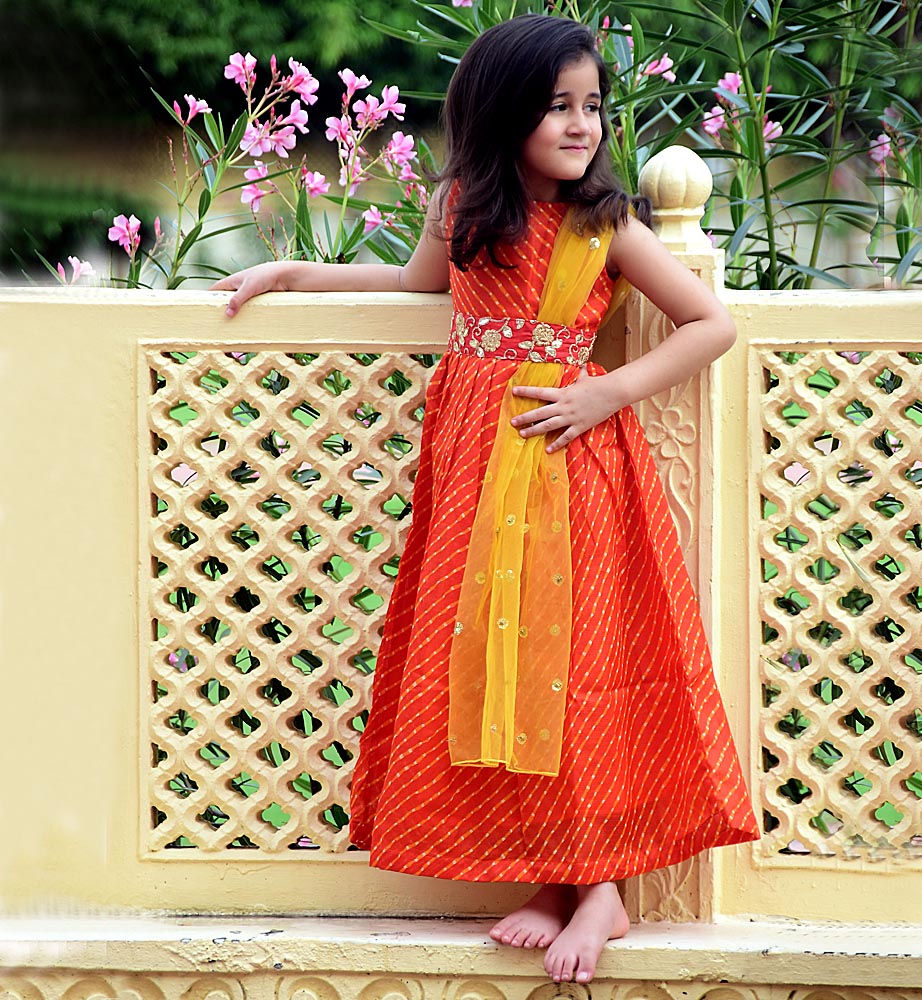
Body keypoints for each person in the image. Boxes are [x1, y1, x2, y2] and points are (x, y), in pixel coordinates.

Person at [213, 14, 758, 986]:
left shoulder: (604, 223)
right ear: (503, 112)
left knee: (568, 663)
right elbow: (416, 283)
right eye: (557, 106)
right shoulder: (461, 205)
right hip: (474, 467)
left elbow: (709, 322)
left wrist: (605, 393)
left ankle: (602, 887)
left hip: (564, 462)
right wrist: (292, 270)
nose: (582, 124)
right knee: (496, 662)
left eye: (592, 105)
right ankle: (549, 877)